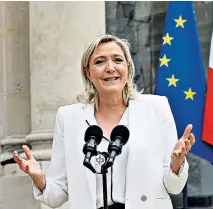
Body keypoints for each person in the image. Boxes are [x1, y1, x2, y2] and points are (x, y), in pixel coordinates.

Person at [13, 34, 195, 209]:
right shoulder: (68, 117)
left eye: (117, 60)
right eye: (100, 62)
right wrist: (39, 179)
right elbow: (57, 194)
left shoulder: (156, 107)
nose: (110, 68)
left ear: (128, 68)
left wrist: (176, 164)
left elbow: (174, 187)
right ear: (88, 72)